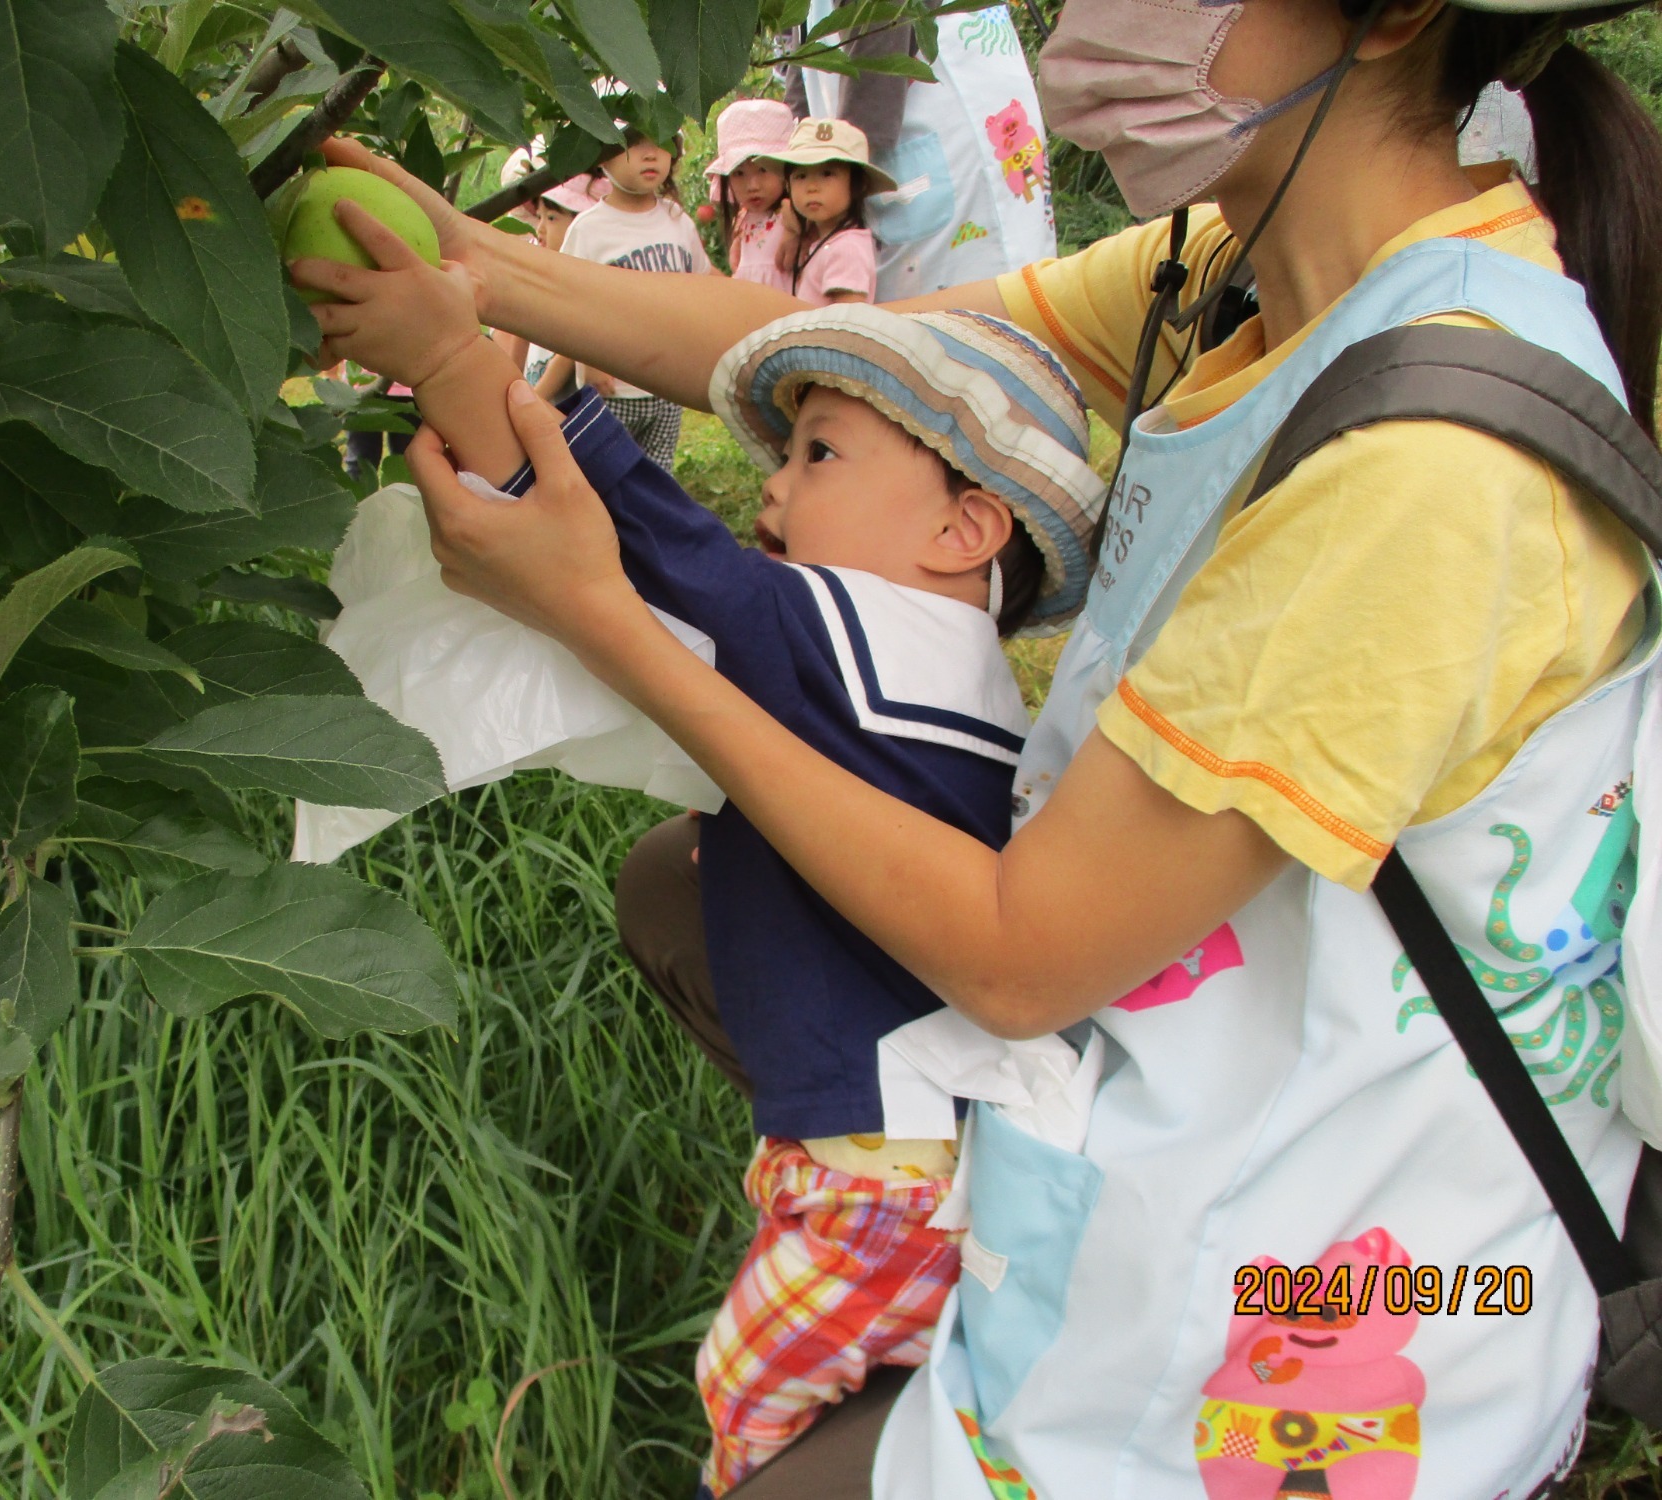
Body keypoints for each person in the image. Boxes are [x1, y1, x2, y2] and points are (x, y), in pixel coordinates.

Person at [295, 0, 1662, 1489]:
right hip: (1174, 1097)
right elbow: (861, 357)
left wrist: (601, 618)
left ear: (1397, 16)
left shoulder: (1426, 470)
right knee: (682, 886)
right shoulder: (1226, 272)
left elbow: (1020, 961)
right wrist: (477, 267)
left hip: (1311, 1312)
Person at [312, 207, 1104, 1490]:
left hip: (877, 1173)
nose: (777, 490)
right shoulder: (952, 685)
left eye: (819, 453)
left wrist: (458, 363)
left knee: (747, 1404)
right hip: (925, 1153)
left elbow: (647, 540)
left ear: (961, 534)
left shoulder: (851, 633)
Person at [786, 0, 1058, 299]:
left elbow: (881, 23)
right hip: (904, 131)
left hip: (949, 127)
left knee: (973, 315)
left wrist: (826, 174)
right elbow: (802, 56)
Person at [559, 129, 713, 468]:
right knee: (606, 475)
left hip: (669, 384)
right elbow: (568, 302)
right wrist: (589, 360)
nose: (651, 154)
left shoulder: (677, 220)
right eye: (634, 143)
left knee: (659, 476)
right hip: (614, 387)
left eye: (661, 142)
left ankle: (652, 522)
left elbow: (705, 281)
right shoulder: (589, 229)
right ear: (602, 156)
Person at [767, 119, 891, 306]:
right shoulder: (828, 243)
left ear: (858, 184)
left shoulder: (846, 249)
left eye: (827, 174)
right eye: (800, 176)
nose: (812, 187)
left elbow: (847, 322)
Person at [521, 173, 601, 401]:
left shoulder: (580, 279)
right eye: (539, 217)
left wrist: (536, 399)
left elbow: (568, 352)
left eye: (552, 218)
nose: (540, 229)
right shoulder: (546, 274)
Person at [706, 98, 796, 289]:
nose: (752, 185)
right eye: (739, 173)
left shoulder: (792, 214)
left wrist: (794, 227)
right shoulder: (743, 219)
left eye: (763, 170)